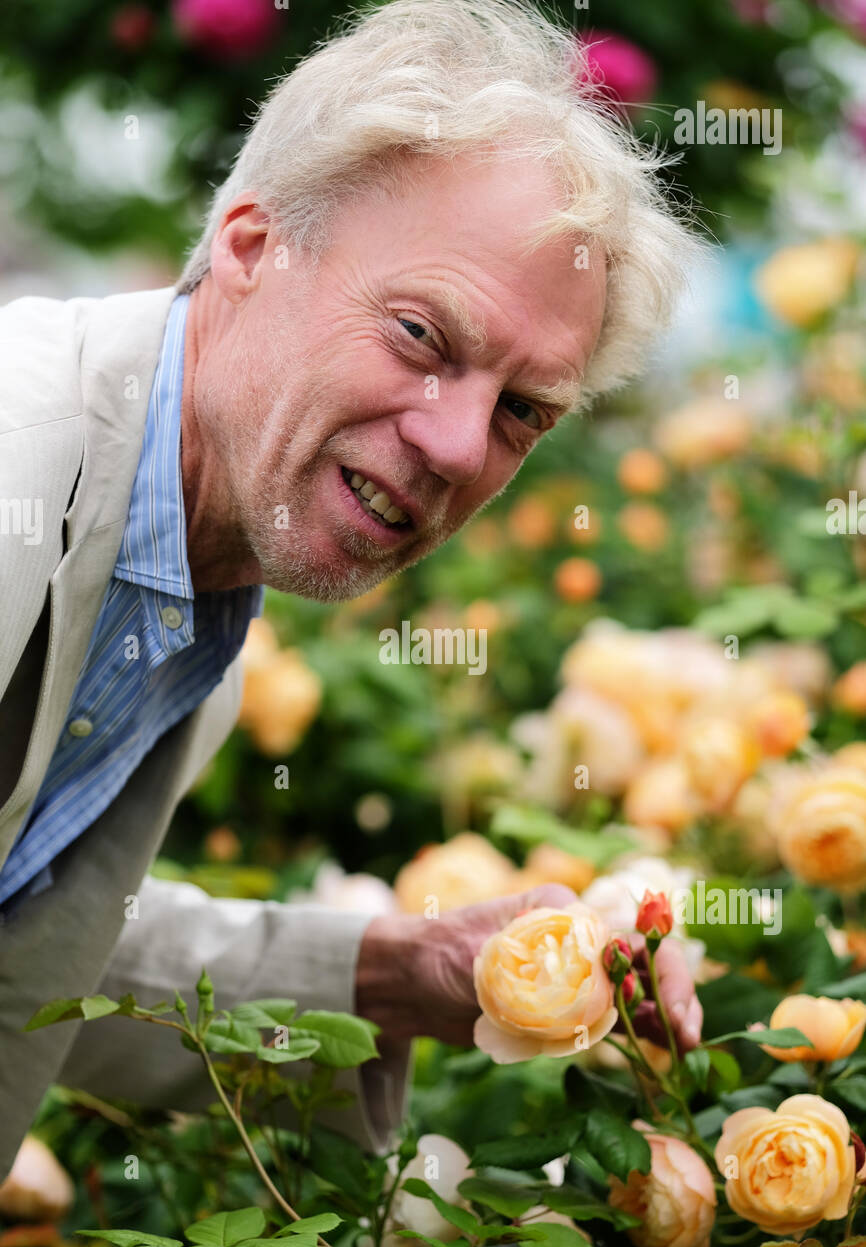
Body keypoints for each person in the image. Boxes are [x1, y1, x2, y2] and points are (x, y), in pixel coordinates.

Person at [0, 0, 702, 1179]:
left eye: (522, 411)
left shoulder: (187, 585)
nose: (459, 447)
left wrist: (397, 971)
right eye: (423, 334)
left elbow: (34, 947)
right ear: (249, 245)